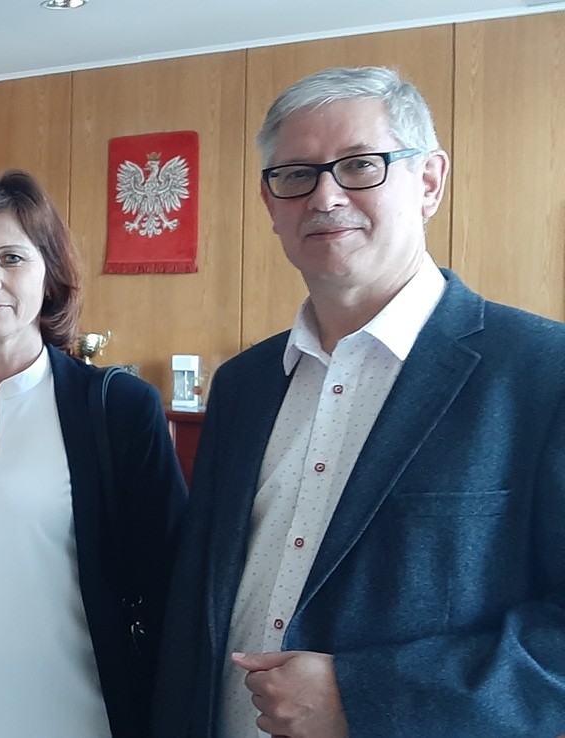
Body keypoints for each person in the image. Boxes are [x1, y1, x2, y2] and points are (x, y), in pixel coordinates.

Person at [153, 66, 565, 738]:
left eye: (360, 166)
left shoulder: (543, 373)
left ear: (428, 181)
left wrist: (367, 697)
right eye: (296, 174)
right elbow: (196, 604)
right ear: (271, 204)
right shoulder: (244, 384)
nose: (325, 196)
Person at [0, 170, 187, 738]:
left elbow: (171, 589)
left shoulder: (119, 408)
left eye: (12, 258)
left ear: (50, 276)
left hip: (74, 715)